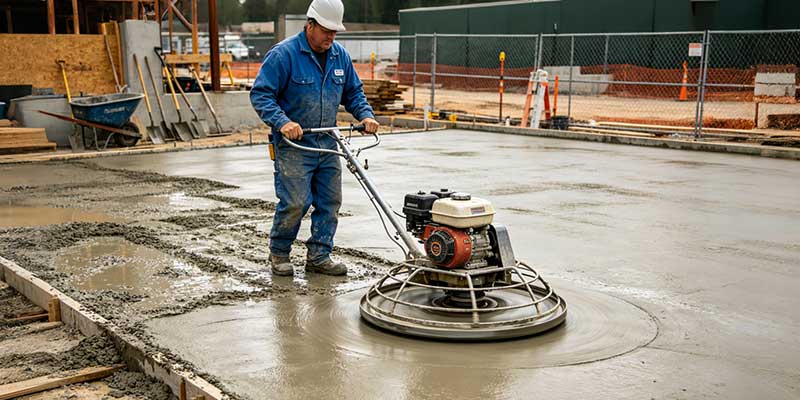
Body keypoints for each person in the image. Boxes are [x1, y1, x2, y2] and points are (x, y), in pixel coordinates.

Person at [250, 0, 379, 277]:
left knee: (330, 202)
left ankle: (319, 255)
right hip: (295, 145)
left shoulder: (339, 56)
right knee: (295, 202)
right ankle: (280, 253)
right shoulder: (284, 55)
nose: (331, 38)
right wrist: (283, 122)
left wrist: (365, 116)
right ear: (310, 25)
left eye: (335, 32)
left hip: (328, 142)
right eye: (326, 31)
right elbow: (261, 94)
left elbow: (353, 93)